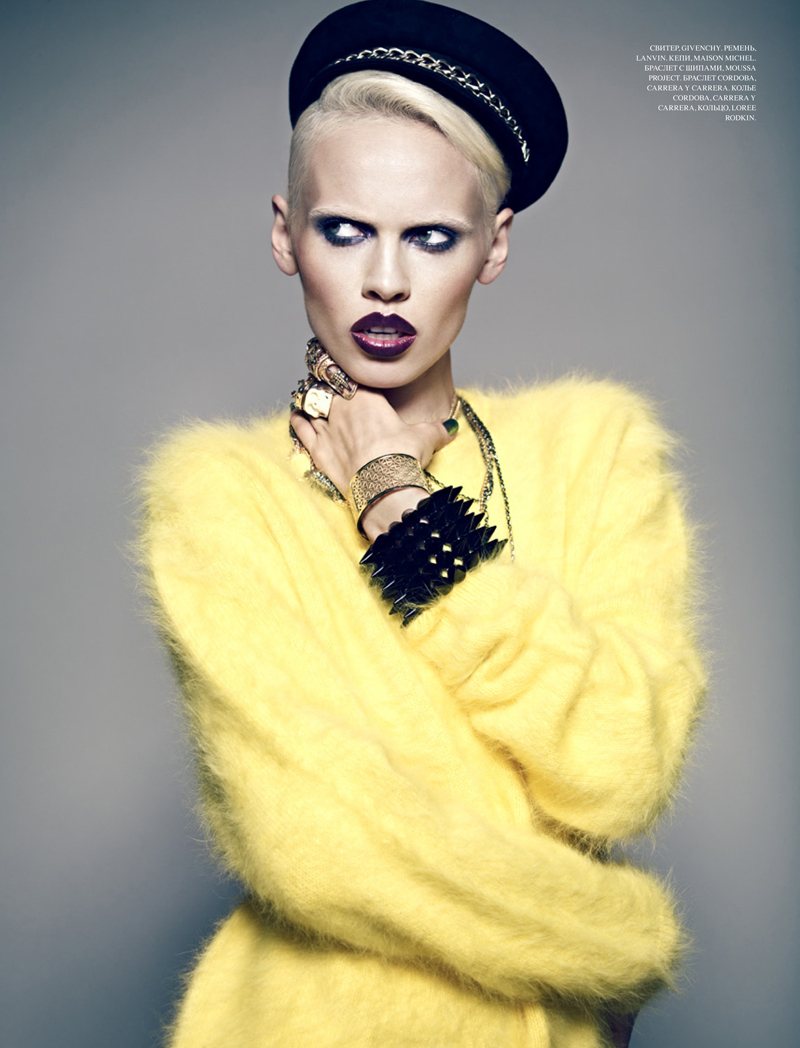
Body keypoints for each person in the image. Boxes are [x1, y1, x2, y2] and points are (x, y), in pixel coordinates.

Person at [134, 2, 706, 1045]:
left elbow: (622, 766)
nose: (386, 280)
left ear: (493, 246)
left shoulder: (595, 447)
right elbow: (322, 844)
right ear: (285, 234)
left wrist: (402, 508)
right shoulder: (222, 491)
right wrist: (624, 939)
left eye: (431, 236)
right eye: (343, 230)